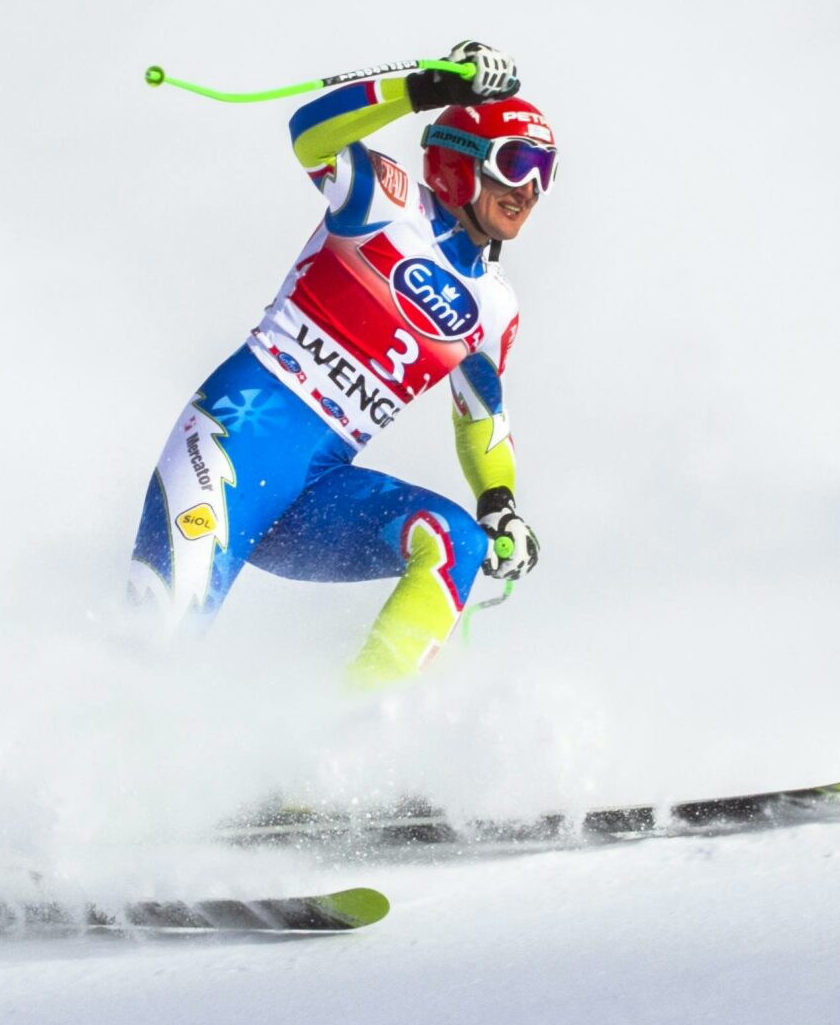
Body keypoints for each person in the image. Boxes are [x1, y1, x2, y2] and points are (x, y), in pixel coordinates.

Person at [130, 41, 553, 686]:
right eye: (517, 163)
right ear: (461, 163)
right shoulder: (386, 198)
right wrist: (422, 89)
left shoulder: (495, 307)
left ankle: (341, 743)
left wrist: (499, 501)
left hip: (318, 486)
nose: (529, 188)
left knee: (456, 544)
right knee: (155, 640)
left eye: (545, 170)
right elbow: (309, 135)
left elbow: (481, 422)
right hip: (234, 444)